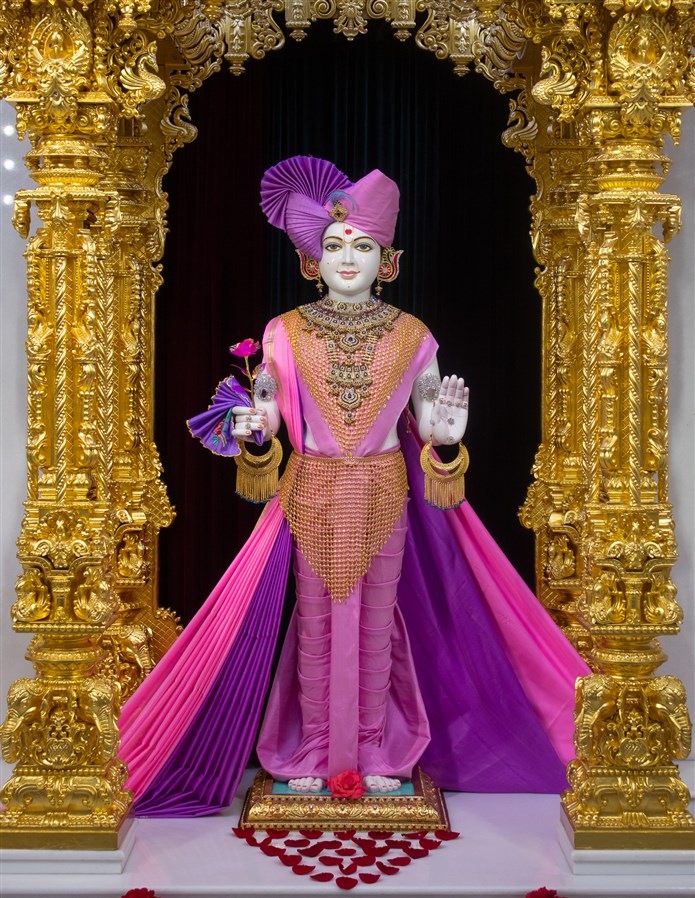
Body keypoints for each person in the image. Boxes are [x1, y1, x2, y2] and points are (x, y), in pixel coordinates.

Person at [117, 157, 589, 817]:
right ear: (311, 260)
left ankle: (375, 751)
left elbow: (429, 419)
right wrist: (253, 431)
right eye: (335, 245)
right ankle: (314, 750)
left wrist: (443, 436)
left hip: (382, 490)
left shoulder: (413, 336)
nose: (347, 258)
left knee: (376, 624)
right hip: (311, 490)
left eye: (363, 247)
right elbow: (268, 415)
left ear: (388, 262)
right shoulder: (283, 332)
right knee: (314, 623)